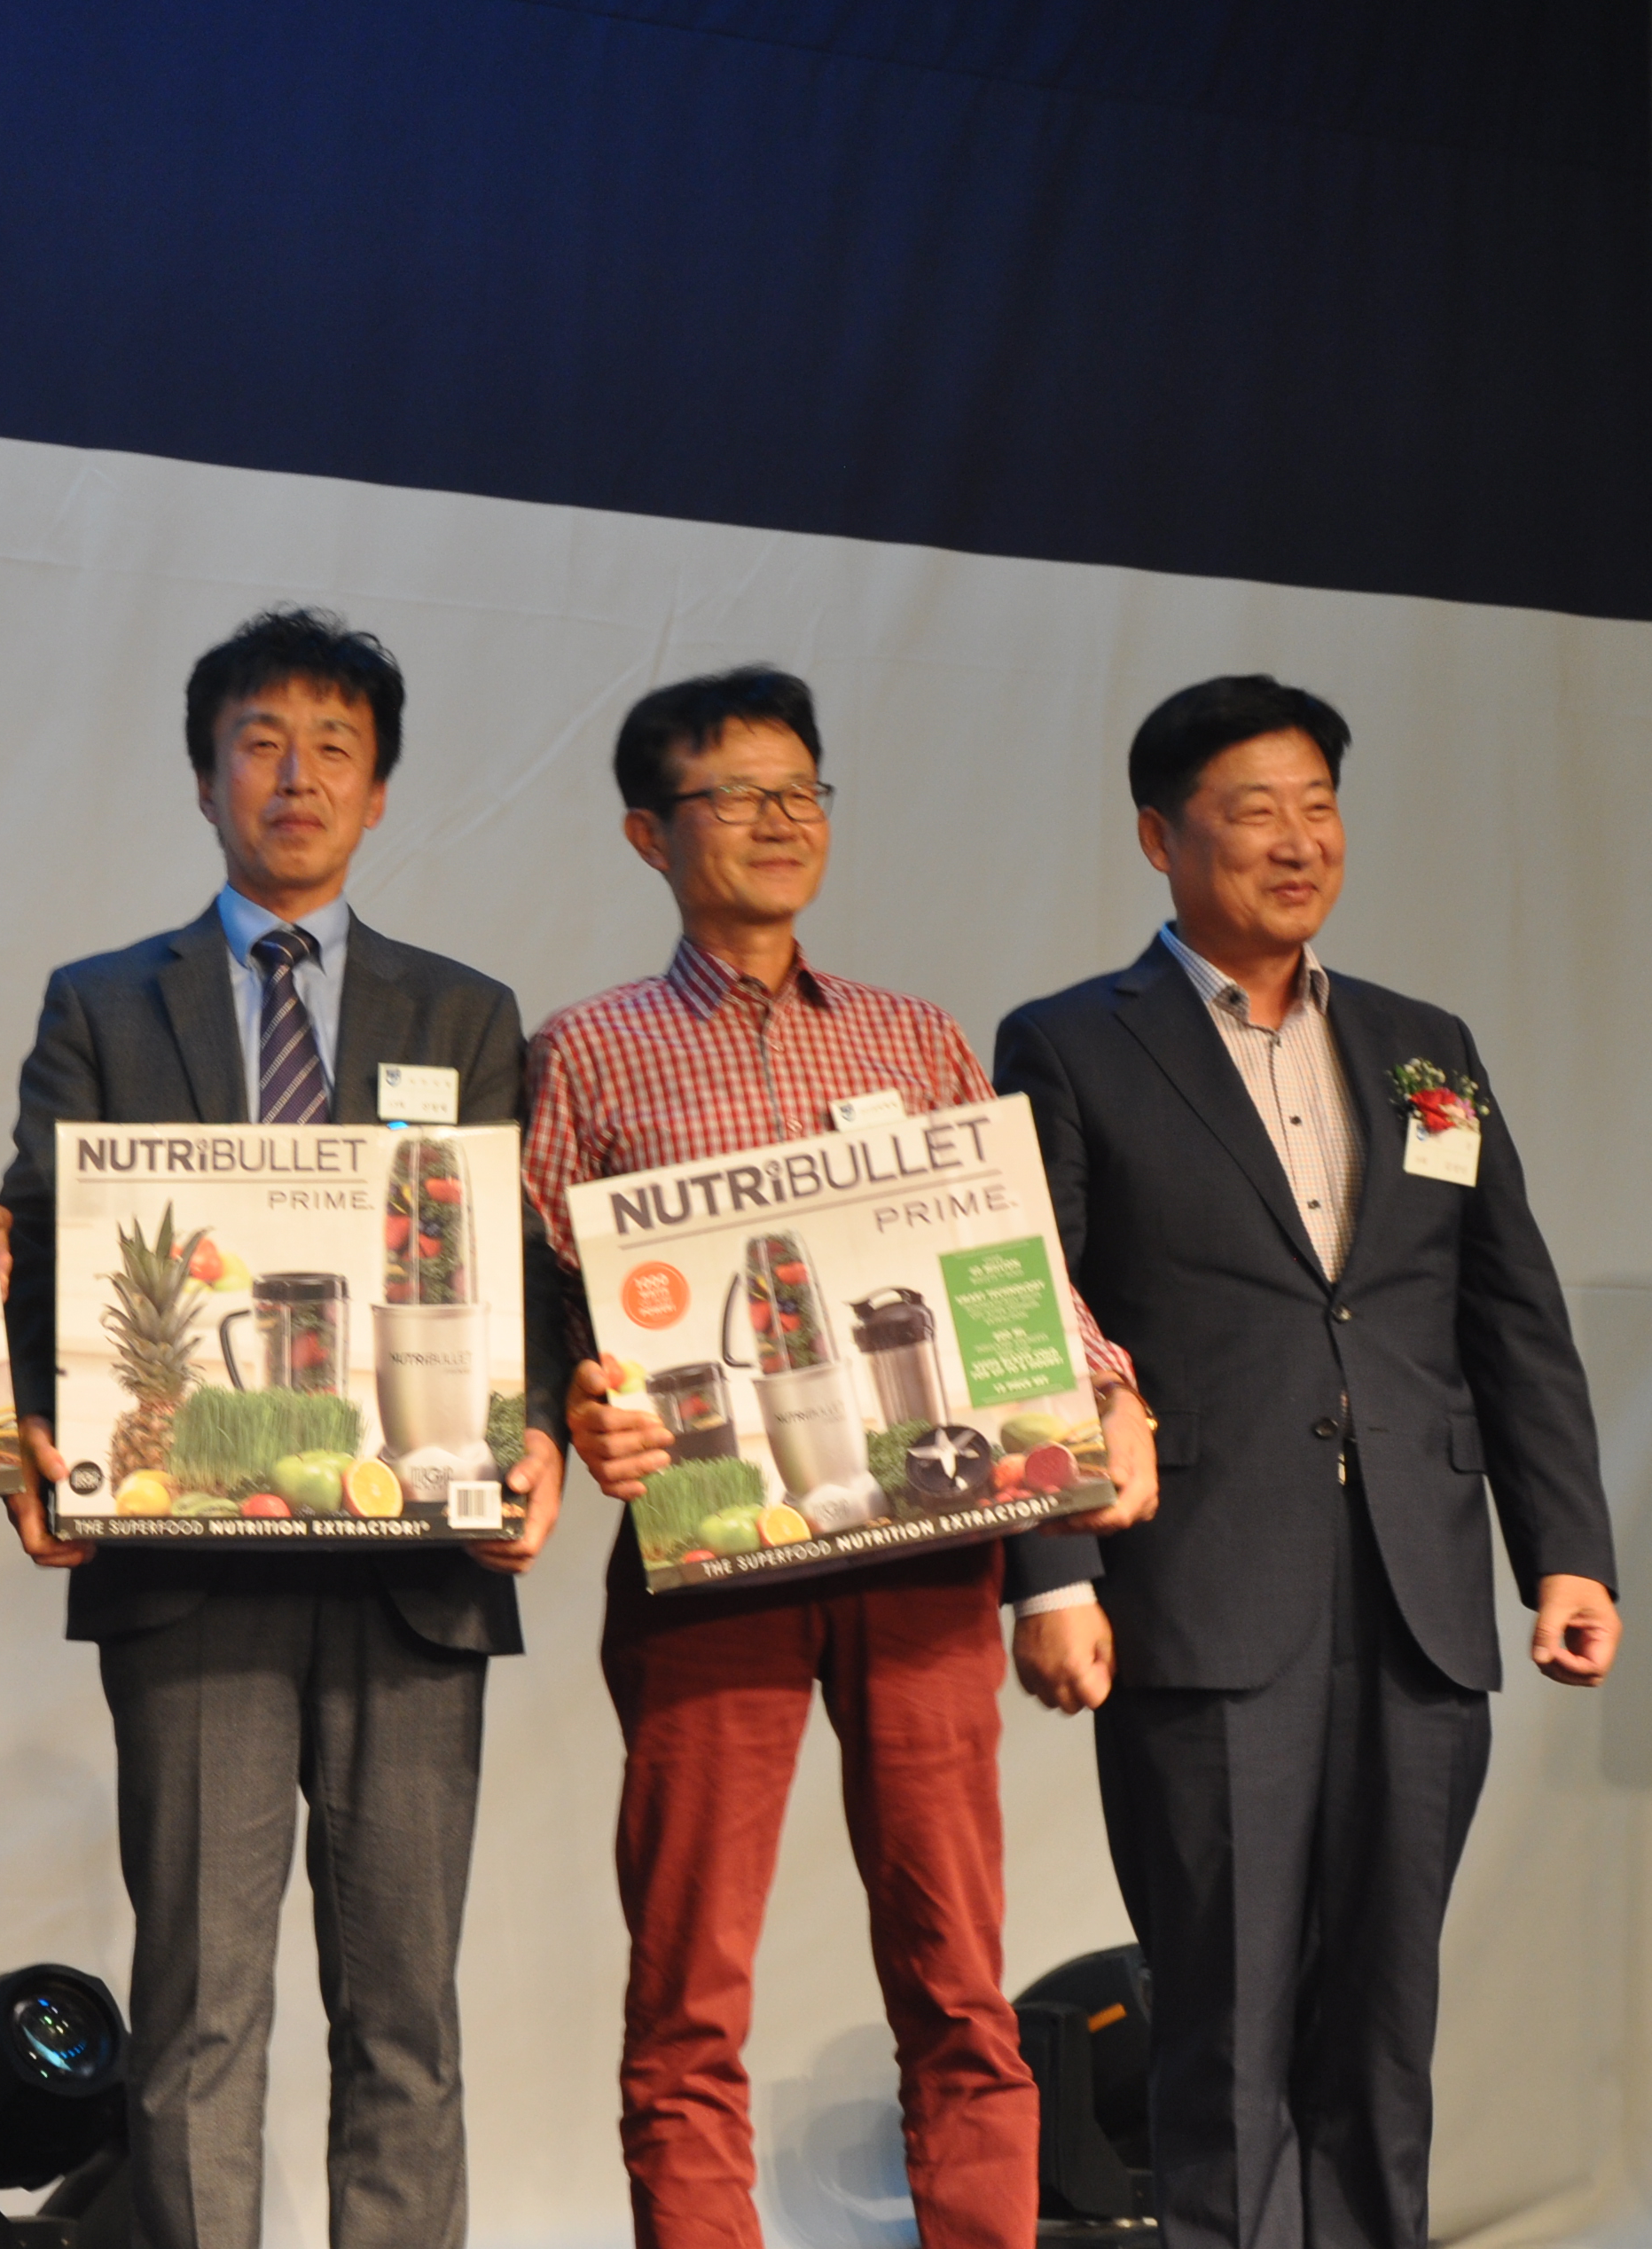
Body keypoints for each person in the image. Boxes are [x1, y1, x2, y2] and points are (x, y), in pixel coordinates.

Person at [523, 664, 1157, 2249]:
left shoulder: (912, 1036)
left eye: (801, 789)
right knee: (688, 1990)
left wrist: (1107, 1392)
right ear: (648, 834)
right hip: (708, 1560)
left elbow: (1008, 1260)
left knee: (957, 1976)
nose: (779, 818)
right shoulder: (585, 1055)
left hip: (926, 1559)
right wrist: (574, 1404)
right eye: (735, 793)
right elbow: (538, 1302)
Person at [992, 676, 1617, 2249]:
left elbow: (1509, 1314)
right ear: (1161, 838)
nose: (1297, 842)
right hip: (1205, 1588)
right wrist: (1054, 1572)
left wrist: (1567, 1553)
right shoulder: (1072, 1043)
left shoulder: (1424, 1048)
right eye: (1253, 811)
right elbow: (1030, 1316)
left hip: (1419, 1593)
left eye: (1318, 807)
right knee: (1225, 2019)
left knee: (1385, 2022)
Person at [0, 607, 562, 2249]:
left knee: (406, 2017)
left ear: (379, 792)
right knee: (198, 2013)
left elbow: (512, 1269)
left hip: (412, 1573)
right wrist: (30, 1431)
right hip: (187, 1578)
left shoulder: (465, 1014)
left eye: (334, 748)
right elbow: (42, 1250)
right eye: (261, 743)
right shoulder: (104, 1004)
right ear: (204, 779)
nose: (296, 777)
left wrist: (529, 1434)